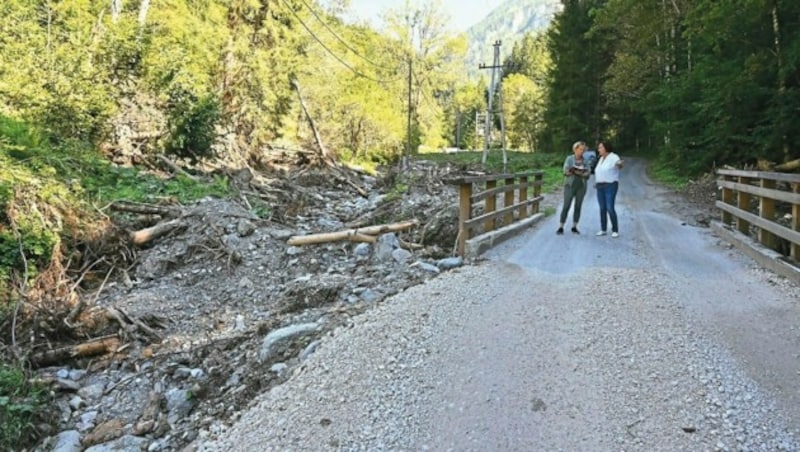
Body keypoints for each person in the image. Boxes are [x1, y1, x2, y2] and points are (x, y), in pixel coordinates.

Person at [557, 141, 591, 235]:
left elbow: (588, 174)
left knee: (578, 206)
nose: (582, 151)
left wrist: (582, 173)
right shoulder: (569, 159)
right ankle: (561, 226)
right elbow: (565, 171)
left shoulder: (585, 160)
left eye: (583, 150)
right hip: (570, 186)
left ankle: (574, 226)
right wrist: (575, 172)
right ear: (575, 149)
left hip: (581, 186)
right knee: (566, 205)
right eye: (580, 149)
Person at [593, 141, 624, 238]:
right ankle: (603, 229)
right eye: (599, 148)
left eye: (600, 147)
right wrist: (597, 181)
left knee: (610, 207)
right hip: (600, 186)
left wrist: (619, 164)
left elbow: (618, 164)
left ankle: (615, 230)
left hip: (610, 185)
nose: (599, 149)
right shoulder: (601, 158)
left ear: (606, 148)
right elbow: (599, 171)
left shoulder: (613, 157)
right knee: (602, 208)